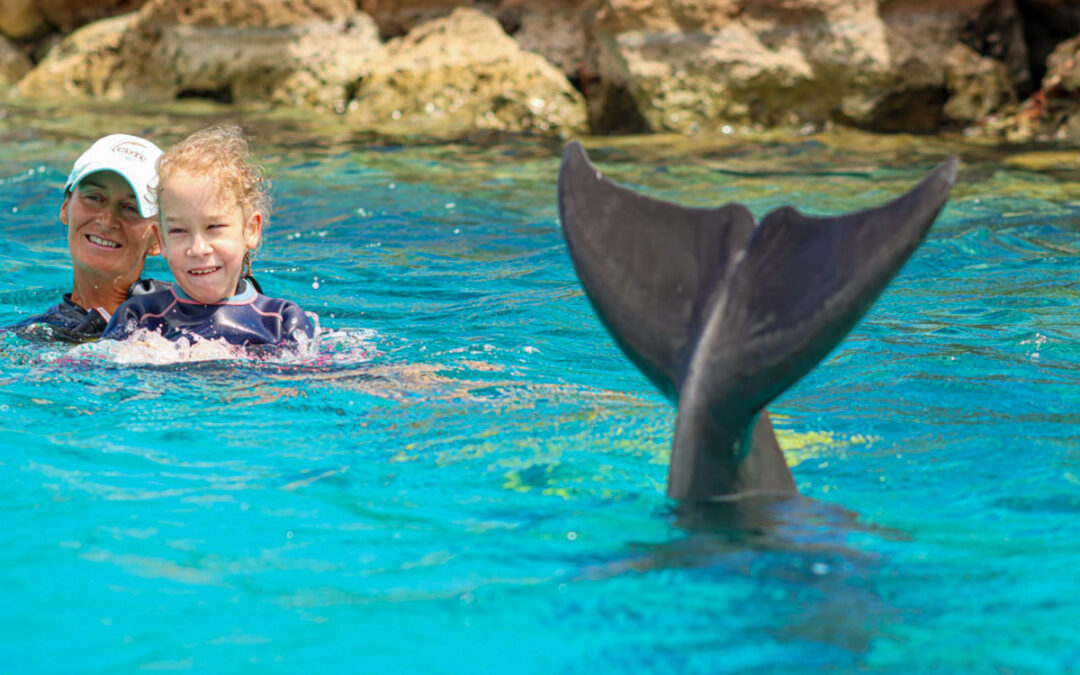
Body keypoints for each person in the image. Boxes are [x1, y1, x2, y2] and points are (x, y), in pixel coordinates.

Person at [101, 125, 313, 347]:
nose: (198, 248)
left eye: (214, 227)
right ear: (161, 239)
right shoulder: (140, 317)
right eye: (179, 231)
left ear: (250, 230)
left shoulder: (282, 321)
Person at [13, 134, 168, 342]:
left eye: (131, 208)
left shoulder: (194, 314)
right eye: (94, 197)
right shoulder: (35, 338)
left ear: (159, 239)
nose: (107, 220)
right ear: (65, 207)